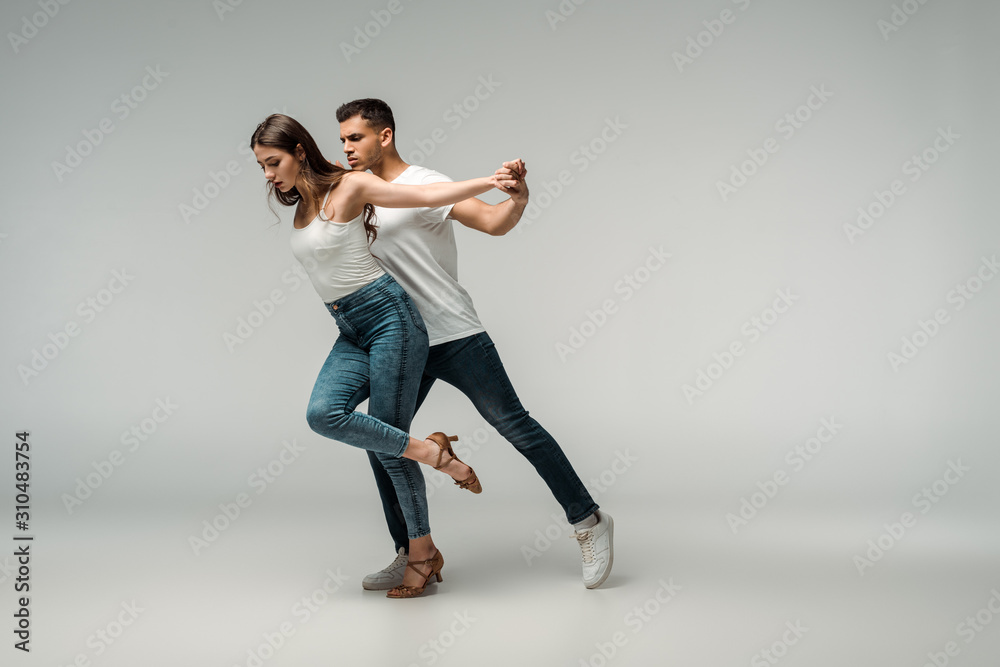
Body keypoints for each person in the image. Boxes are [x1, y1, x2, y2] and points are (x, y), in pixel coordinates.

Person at [334, 99, 615, 589]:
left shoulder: (425, 183)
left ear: (385, 136)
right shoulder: (354, 190)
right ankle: (411, 553)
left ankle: (589, 520)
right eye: (342, 140)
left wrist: (519, 200)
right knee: (381, 438)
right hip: (398, 339)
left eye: (355, 137)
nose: (346, 148)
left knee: (515, 425)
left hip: (451, 331)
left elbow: (491, 221)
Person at [250, 113, 519, 598]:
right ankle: (431, 452)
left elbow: (424, 196)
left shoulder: (351, 187)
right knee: (324, 414)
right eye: (263, 167)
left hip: (391, 319)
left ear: (299, 153)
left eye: (273, 163)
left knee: (386, 444)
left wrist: (490, 181)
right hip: (350, 326)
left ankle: (420, 556)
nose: (268, 176)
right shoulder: (303, 204)